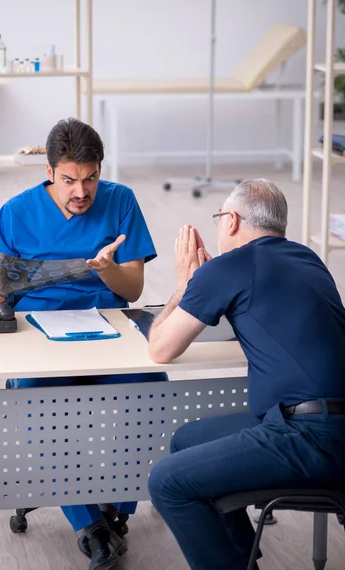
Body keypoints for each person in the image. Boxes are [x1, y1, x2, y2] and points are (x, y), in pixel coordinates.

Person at [0, 118, 167, 570]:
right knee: (38, 403)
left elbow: (134, 287)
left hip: (110, 329)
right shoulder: (17, 211)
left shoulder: (121, 201)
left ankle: (118, 511)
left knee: (153, 391)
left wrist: (105, 270)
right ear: (49, 171)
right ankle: (90, 526)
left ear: (100, 170)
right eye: (69, 180)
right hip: (40, 336)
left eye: (90, 178)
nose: (81, 191)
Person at [147, 179, 345, 570]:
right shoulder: (308, 258)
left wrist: (185, 286)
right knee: (186, 440)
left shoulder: (230, 265)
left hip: (308, 436)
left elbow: (160, 348)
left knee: (166, 481)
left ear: (232, 221)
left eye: (220, 218)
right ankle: (241, 561)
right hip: (323, 423)